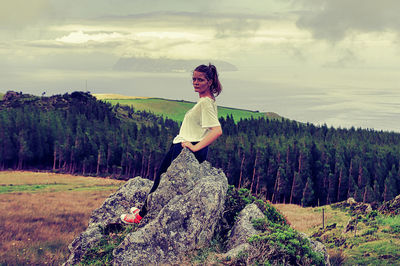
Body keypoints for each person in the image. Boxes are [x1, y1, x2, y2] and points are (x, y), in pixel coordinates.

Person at [121, 63, 223, 224]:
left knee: (163, 182)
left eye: (200, 80)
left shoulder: (205, 103)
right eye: (194, 79)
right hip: (183, 145)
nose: (196, 82)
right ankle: (144, 209)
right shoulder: (206, 100)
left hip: (186, 148)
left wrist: (195, 147)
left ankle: (140, 216)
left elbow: (217, 130)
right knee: (160, 178)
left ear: (209, 82)